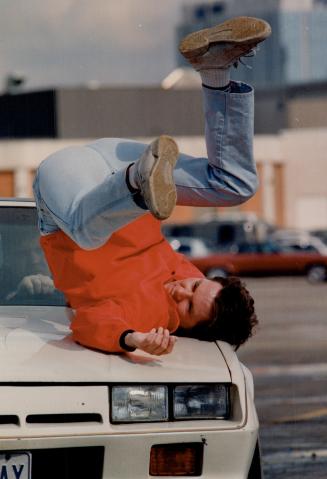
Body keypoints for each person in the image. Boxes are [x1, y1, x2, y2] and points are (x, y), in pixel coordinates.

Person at [33, 16, 271, 356]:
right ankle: (215, 69)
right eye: (194, 286)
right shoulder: (189, 274)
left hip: (67, 194)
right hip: (116, 162)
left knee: (86, 234)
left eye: (188, 308)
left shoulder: (148, 317)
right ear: (204, 279)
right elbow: (209, 295)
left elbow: (89, 323)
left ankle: (136, 182)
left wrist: (134, 339)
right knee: (236, 186)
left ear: (190, 329)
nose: (181, 291)